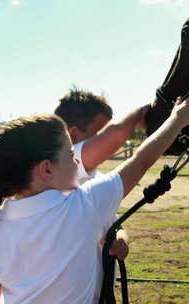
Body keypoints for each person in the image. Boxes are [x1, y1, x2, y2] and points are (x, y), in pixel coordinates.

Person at [0, 89, 189, 304]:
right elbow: (141, 160)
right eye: (70, 155)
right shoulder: (86, 203)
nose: (78, 160)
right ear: (46, 169)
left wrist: (117, 235)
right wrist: (177, 120)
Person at [54, 88, 150, 260]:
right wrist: (140, 113)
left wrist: (121, 237)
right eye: (99, 134)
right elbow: (116, 135)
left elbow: (110, 220)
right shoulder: (65, 162)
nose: (105, 141)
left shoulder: (94, 177)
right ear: (73, 135)